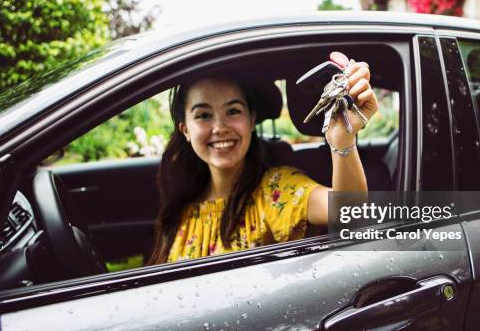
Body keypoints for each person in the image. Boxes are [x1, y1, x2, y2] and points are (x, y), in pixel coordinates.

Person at [147, 60, 378, 264]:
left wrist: (341, 137)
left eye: (233, 111)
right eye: (204, 115)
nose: (220, 128)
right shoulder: (180, 206)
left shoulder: (274, 189)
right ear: (185, 129)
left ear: (251, 120)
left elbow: (352, 211)